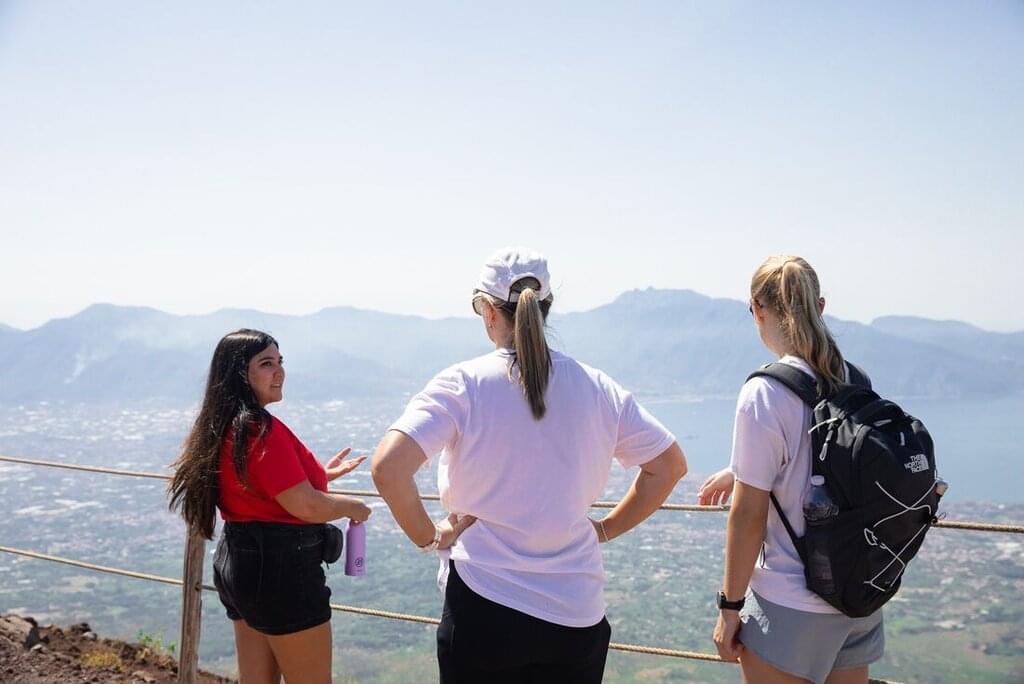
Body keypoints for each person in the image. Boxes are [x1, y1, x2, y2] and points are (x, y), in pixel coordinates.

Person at [371, 247, 687, 683]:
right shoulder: (598, 387)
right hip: (576, 614)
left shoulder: (463, 384)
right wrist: (604, 529)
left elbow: (388, 468)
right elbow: (668, 466)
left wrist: (432, 538)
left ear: (488, 312)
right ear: (547, 307)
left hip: (482, 606)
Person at [701, 256, 885, 684]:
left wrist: (729, 608)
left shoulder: (765, 391)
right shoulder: (856, 380)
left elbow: (748, 516)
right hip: (859, 599)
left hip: (791, 607)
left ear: (757, 309)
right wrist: (740, 469)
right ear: (820, 307)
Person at [168, 329, 371, 684]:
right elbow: (306, 506)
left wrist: (318, 475)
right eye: (266, 364)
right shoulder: (260, 430)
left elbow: (255, 486)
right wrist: (353, 507)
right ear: (240, 373)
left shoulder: (224, 425)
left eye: (280, 362)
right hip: (282, 569)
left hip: (238, 562)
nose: (279, 372)